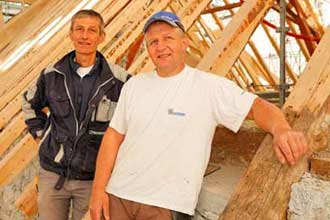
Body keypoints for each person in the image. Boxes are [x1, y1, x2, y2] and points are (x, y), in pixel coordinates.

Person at [89, 11, 309, 220]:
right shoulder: (134, 85)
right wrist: (99, 190)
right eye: (153, 42)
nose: (161, 46)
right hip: (118, 194)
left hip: (165, 204)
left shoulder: (208, 87)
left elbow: (257, 107)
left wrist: (281, 129)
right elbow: (113, 137)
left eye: (168, 38)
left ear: (185, 43)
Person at [22, 9, 129, 220]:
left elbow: (131, 123)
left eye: (92, 30)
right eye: (79, 29)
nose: (84, 36)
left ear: (101, 36)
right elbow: (29, 103)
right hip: (53, 175)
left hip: (93, 180)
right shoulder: (52, 74)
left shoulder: (119, 81)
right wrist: (40, 134)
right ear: (70, 34)